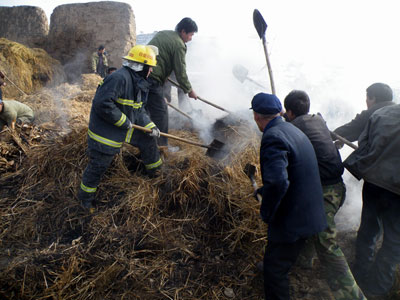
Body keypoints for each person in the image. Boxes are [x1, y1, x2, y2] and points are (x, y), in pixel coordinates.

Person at [284, 90, 366, 300]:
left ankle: (352, 296)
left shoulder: (293, 128)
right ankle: (304, 259)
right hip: (337, 188)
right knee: (311, 223)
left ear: (290, 112)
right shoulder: (318, 121)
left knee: (325, 242)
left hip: (326, 193)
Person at [251, 92, 327, 300]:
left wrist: (267, 211)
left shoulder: (272, 137)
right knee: (278, 260)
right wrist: (264, 191)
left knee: (275, 272)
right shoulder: (291, 128)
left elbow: (278, 182)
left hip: (294, 219)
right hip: (311, 211)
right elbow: (292, 171)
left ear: (257, 116)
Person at [78, 45, 162, 210]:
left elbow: (139, 109)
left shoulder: (138, 82)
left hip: (124, 127)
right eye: (149, 67)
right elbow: (102, 104)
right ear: (141, 66)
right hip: (106, 133)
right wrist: (123, 121)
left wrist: (151, 126)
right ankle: (85, 201)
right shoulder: (119, 78)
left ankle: (157, 176)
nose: (151, 71)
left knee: (148, 140)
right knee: (99, 166)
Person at [343, 103, 400, 298]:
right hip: (397, 191)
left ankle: (359, 274)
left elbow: (363, 143)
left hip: (374, 182)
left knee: (368, 228)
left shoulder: (382, 112)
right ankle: (377, 289)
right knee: (394, 242)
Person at [146, 17, 198, 149]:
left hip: (143, 74)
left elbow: (161, 57)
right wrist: (190, 90)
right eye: (191, 34)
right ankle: (163, 147)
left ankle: (146, 140)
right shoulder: (179, 44)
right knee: (161, 113)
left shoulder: (164, 33)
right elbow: (180, 72)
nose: (191, 38)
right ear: (183, 31)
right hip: (152, 79)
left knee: (146, 110)